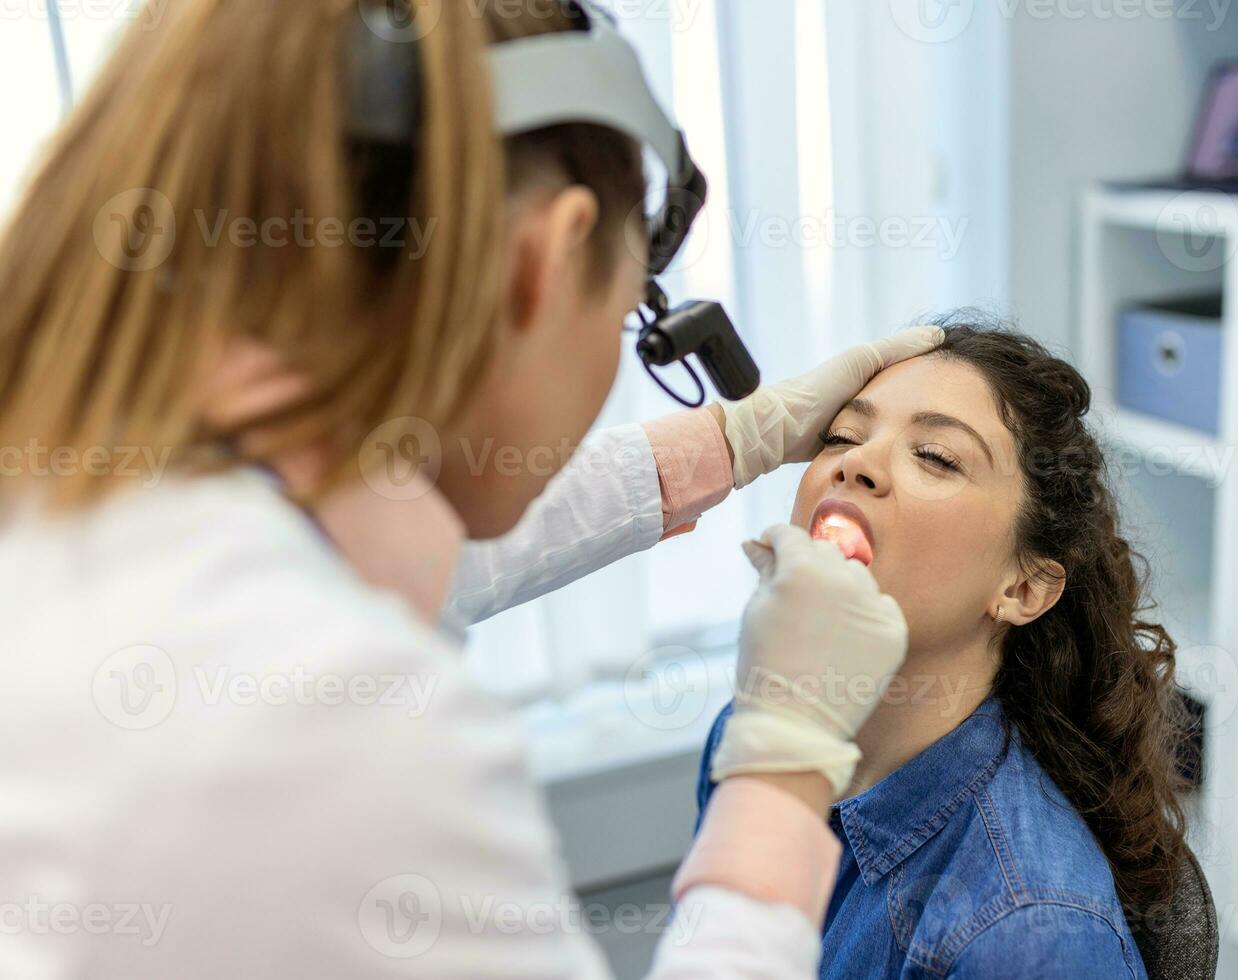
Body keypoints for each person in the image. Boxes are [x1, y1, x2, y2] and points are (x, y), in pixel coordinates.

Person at [0, 1, 940, 976]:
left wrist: (734, 440)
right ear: (542, 257)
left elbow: (390, 529)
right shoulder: (324, 730)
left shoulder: (95, 485)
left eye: (941, 455)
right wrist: (782, 763)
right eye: (630, 317)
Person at [696, 316, 1194, 978]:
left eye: (935, 456)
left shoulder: (1028, 933)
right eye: (841, 435)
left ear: (1023, 587)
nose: (856, 464)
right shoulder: (753, 735)